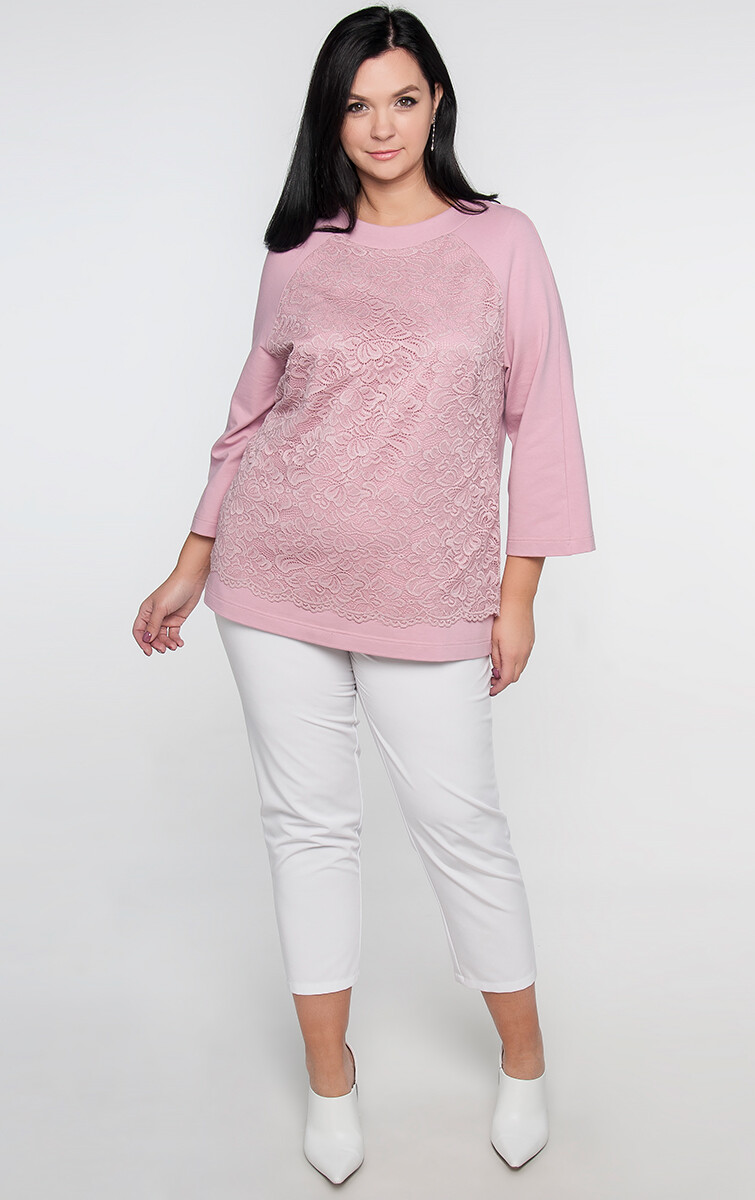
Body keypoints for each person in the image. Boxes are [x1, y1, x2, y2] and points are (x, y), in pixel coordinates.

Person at [133, 4, 595, 1184]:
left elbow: (540, 422)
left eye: (401, 98)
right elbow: (248, 420)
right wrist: (192, 561)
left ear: (435, 104)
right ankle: (329, 1084)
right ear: (328, 119)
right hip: (271, 581)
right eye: (355, 103)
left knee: (462, 830)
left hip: (430, 590)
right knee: (307, 830)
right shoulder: (298, 253)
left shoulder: (502, 243)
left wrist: (517, 595)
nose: (380, 125)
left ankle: (524, 1063)